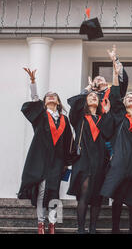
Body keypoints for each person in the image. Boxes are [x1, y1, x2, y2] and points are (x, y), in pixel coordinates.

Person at [18, 68, 73, 234]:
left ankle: (53, 224)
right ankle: (41, 223)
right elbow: (34, 101)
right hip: (41, 159)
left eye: (53, 95)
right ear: (44, 102)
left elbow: (68, 142)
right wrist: (33, 82)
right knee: (42, 192)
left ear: (58, 101)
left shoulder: (64, 119)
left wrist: (67, 162)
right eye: (48, 95)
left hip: (57, 161)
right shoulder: (41, 116)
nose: (51, 96)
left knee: (54, 191)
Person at [100, 61, 132, 234]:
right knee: (119, 199)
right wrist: (116, 73)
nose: (129, 97)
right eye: (127, 96)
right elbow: (114, 97)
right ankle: (115, 229)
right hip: (121, 164)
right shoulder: (120, 117)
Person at [67, 84, 114, 234]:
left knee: (97, 196)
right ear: (85, 101)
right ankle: (81, 229)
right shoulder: (79, 117)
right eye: (90, 96)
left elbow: (108, 133)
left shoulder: (102, 118)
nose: (94, 97)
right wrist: (86, 90)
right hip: (83, 159)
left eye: (96, 96)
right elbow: (74, 104)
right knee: (85, 192)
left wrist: (106, 113)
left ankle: (93, 228)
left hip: (100, 160)